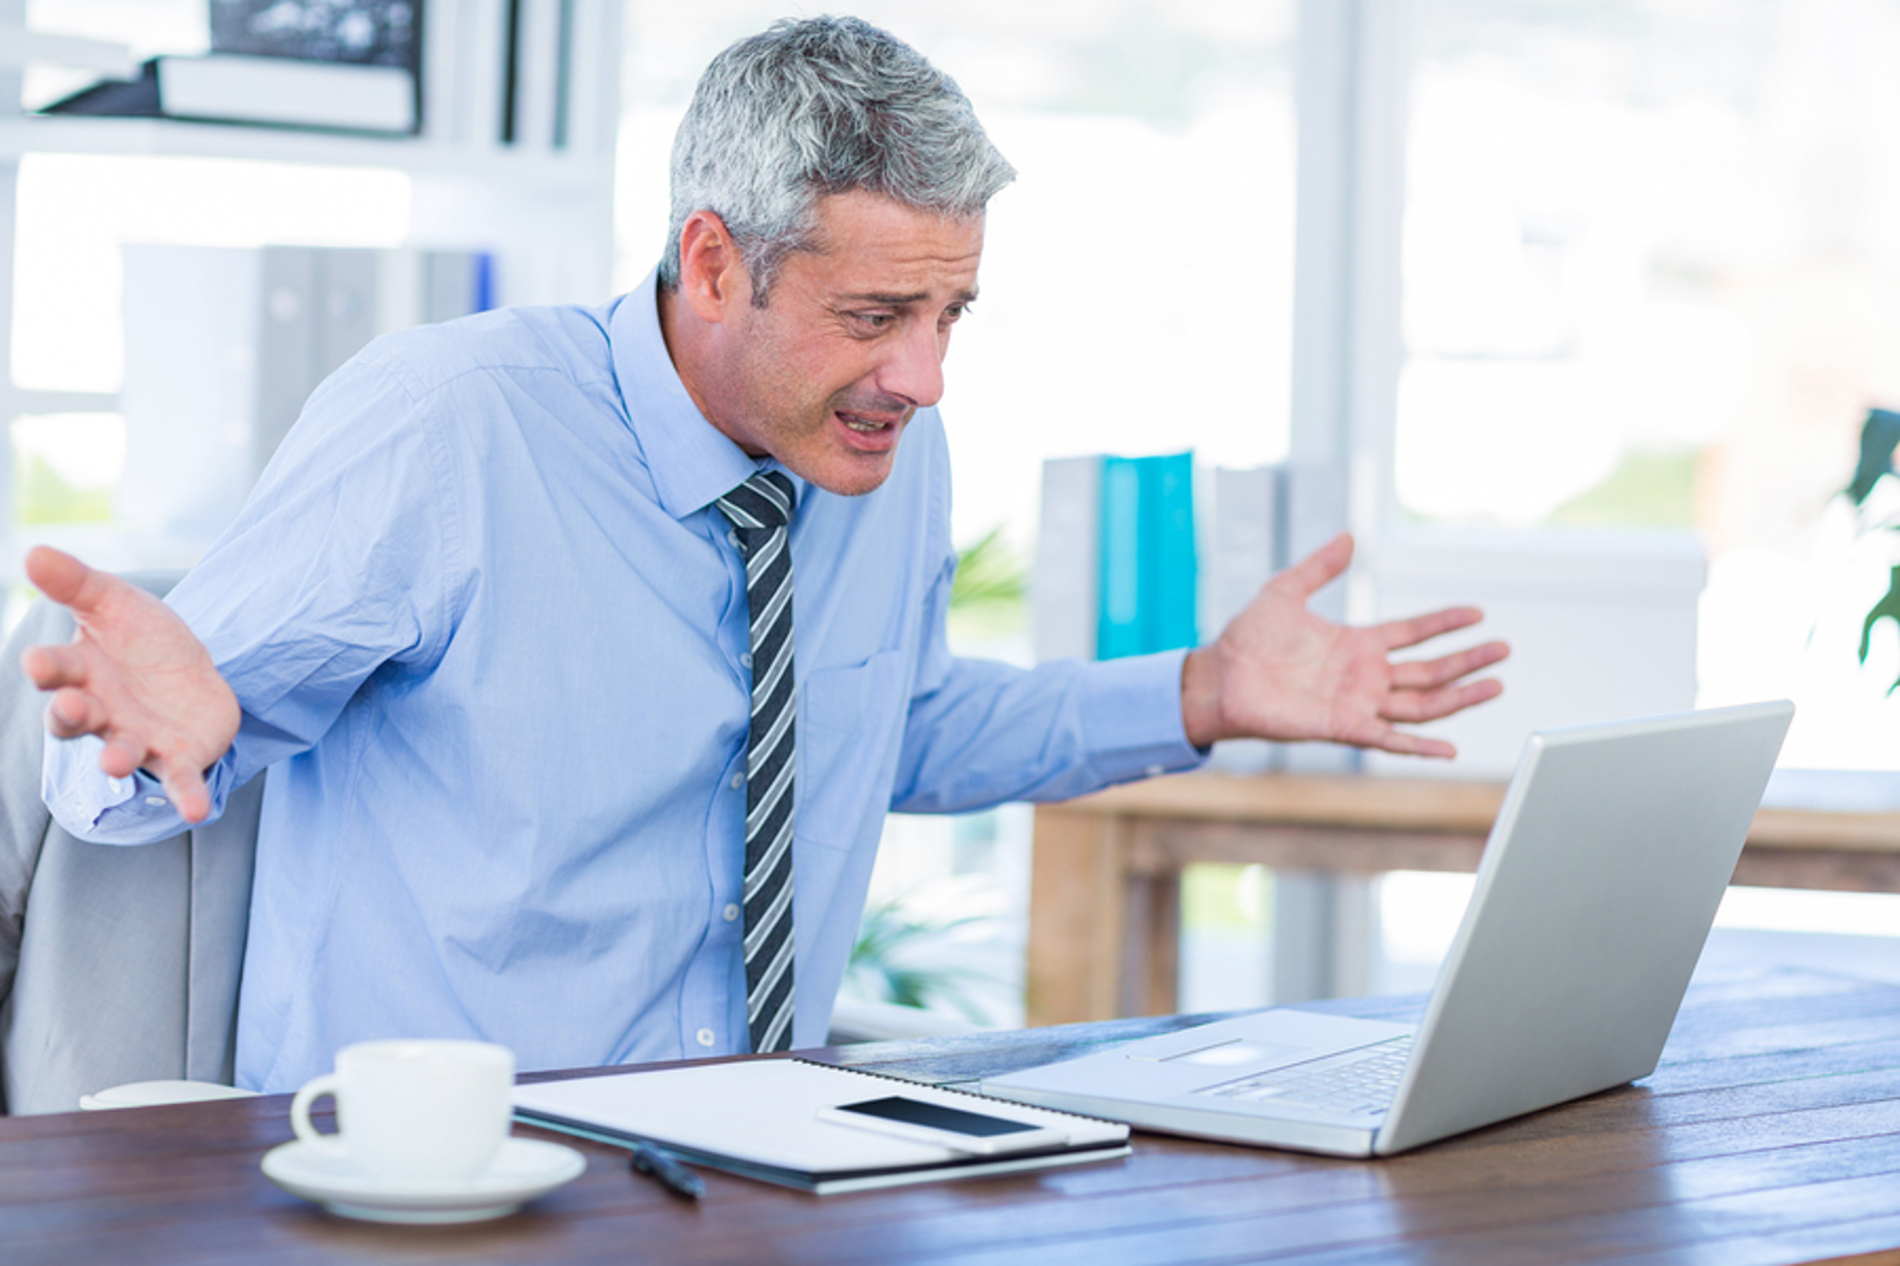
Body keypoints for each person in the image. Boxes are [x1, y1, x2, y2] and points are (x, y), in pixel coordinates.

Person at [23, 17, 1507, 1093]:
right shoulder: (450, 427)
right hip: (440, 1174)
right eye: (875, 318)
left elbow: (890, 727)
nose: (925, 380)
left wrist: (1201, 692)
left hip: (755, 1152)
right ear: (715, 261)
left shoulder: (881, 449)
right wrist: (155, 736)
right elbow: (124, 780)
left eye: (951, 316)